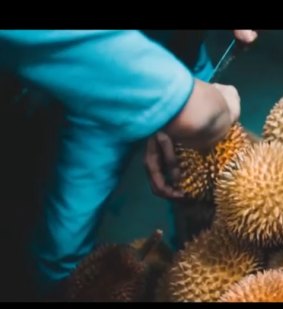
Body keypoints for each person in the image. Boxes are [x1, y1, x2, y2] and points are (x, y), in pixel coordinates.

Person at [0, 29, 257, 298]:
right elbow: (202, 116)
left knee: (204, 195)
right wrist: (190, 105)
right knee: (63, 250)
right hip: (98, 72)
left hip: (181, 48)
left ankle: (187, 244)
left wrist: (177, 103)